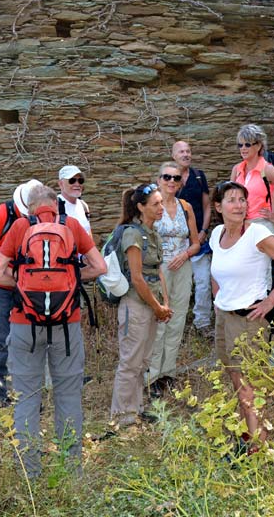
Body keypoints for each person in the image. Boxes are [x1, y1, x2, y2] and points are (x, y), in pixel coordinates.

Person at [0, 184, 106, 478]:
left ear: (30, 208)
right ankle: (71, 471)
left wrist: (22, 284)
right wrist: (74, 278)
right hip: (67, 323)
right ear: (56, 206)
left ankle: (29, 473)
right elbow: (100, 267)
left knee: (26, 396)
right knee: (68, 395)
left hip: (24, 323)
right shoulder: (73, 226)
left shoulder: (18, 227)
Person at [210, 181, 274, 448]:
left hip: (248, 320)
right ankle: (248, 436)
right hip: (225, 317)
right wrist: (218, 299)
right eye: (231, 200)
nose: (239, 205)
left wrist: (271, 300)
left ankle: (257, 448)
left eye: (242, 199)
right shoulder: (217, 233)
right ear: (218, 207)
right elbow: (216, 270)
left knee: (249, 388)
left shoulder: (257, 234)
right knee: (236, 381)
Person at [110, 183, 172, 428]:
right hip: (135, 305)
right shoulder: (132, 234)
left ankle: (135, 409)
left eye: (161, 203)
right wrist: (157, 306)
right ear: (140, 207)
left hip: (151, 304)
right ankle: (122, 416)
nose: (161, 208)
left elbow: (158, 271)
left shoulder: (153, 233)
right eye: (156, 204)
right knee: (130, 361)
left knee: (143, 361)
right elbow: (137, 278)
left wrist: (164, 304)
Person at [0, 179, 40, 404]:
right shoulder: (2, 213)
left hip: (28, 288)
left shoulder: (42, 216)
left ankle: (26, 392)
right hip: (0, 288)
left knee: (29, 340)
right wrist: (14, 276)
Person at [146, 162, 200, 396]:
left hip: (182, 266)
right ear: (158, 179)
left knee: (177, 319)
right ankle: (152, 375)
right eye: (166, 176)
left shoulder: (185, 207)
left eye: (176, 178)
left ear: (181, 183)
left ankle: (169, 372)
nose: (171, 181)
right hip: (159, 269)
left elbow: (196, 242)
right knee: (159, 319)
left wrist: (186, 254)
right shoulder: (151, 206)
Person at [171, 140, 214, 337]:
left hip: (199, 241)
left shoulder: (198, 176)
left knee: (204, 282)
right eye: (181, 151)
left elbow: (206, 206)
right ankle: (173, 325)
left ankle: (202, 323)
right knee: (175, 286)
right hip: (177, 243)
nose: (186, 154)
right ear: (174, 155)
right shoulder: (169, 178)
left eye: (188, 151)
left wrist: (204, 231)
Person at [230, 124, 274, 233]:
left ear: (259, 146)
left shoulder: (267, 169)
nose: (243, 148)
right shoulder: (236, 169)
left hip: (261, 226)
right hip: (239, 225)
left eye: (248, 144)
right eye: (240, 145)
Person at [57, 164, 92, 235]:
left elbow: (88, 233)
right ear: (61, 184)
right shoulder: (55, 206)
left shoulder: (83, 205)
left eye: (80, 180)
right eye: (72, 180)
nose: (77, 184)